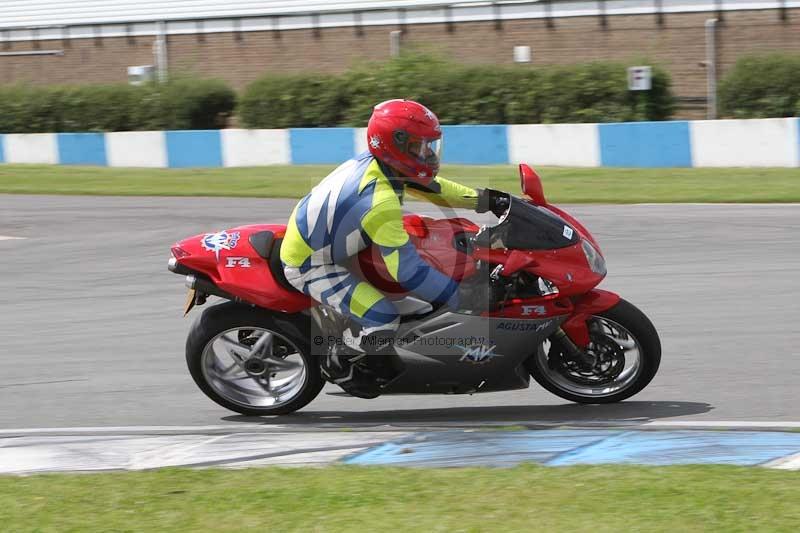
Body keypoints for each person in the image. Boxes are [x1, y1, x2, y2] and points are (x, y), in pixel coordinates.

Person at [280, 99, 507, 397]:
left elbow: (435, 187)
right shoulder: (380, 200)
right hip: (312, 262)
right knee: (382, 318)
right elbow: (407, 271)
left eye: (430, 145)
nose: (428, 154)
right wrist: (459, 295)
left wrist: (488, 200)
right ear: (395, 145)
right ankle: (341, 359)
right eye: (420, 146)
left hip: (339, 240)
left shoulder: (382, 165)